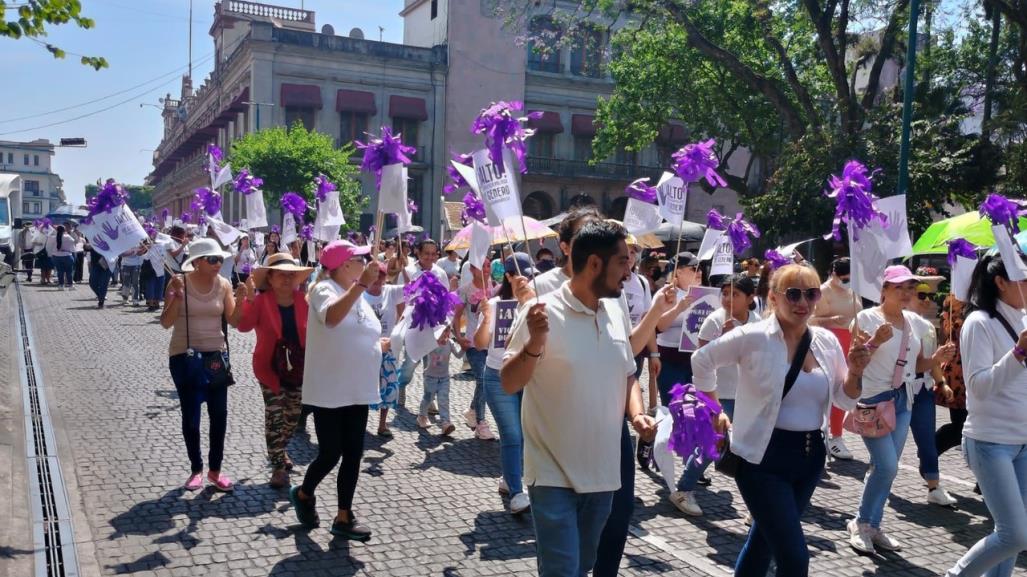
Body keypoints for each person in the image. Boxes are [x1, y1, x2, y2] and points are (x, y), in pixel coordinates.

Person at [501, 220, 656, 577]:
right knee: (563, 570)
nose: (629, 270)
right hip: (552, 472)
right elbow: (509, 382)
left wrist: (636, 415)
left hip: (603, 475)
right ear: (595, 264)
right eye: (622, 261)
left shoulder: (615, 311)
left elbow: (627, 373)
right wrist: (534, 345)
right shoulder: (540, 312)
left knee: (583, 566)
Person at [692, 263, 864, 577]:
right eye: (793, 294)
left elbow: (844, 399)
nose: (803, 302)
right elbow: (702, 360)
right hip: (761, 459)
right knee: (795, 558)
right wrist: (715, 410)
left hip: (810, 459)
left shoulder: (825, 341)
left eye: (811, 294)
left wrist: (856, 372)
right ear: (773, 298)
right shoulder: (754, 336)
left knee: (763, 543)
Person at [847, 265, 956, 554]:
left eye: (910, 288)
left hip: (902, 401)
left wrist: (936, 358)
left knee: (886, 470)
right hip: (872, 400)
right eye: (899, 287)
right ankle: (861, 523)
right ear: (883, 290)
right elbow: (855, 362)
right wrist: (874, 342)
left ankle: (872, 524)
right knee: (886, 466)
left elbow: (917, 366)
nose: (907, 293)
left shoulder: (916, 323)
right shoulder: (866, 319)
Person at [289, 240, 383, 540]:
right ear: (345, 265)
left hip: (358, 387)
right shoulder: (323, 289)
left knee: (353, 453)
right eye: (361, 258)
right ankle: (304, 493)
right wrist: (362, 286)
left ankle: (344, 516)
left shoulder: (358, 294)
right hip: (330, 389)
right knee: (331, 452)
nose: (366, 262)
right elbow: (331, 318)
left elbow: (360, 332)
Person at [945, 251, 1027, 577]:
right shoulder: (980, 323)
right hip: (990, 441)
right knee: (1014, 534)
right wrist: (1018, 352)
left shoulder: (1023, 318)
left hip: (1023, 441)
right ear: (1000, 282)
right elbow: (978, 388)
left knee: (1011, 536)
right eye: (1023, 277)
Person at [671, 274, 761, 517]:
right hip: (717, 394)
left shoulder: (757, 321)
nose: (728, 299)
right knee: (711, 446)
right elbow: (701, 360)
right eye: (725, 293)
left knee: (748, 449)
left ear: (751, 298)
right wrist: (723, 339)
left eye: (736, 294)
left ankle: (756, 505)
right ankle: (683, 489)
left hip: (745, 394)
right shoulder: (714, 321)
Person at [159, 238, 240, 492]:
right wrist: (175, 297)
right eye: (212, 259)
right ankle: (196, 468)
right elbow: (166, 322)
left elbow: (234, 320)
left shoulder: (224, 284)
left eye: (220, 259)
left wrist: (245, 299)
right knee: (191, 417)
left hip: (216, 357)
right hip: (185, 357)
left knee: (219, 416)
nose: (218, 263)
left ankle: (215, 471)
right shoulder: (179, 281)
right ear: (197, 262)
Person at [230, 252, 313, 489]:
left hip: (298, 367)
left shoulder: (304, 300)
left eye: (290, 275)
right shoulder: (261, 300)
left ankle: (280, 448)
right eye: (281, 275)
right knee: (276, 414)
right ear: (271, 278)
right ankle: (278, 466)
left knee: (293, 415)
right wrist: (243, 300)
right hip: (269, 367)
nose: (286, 280)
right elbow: (243, 326)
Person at [475, 253, 538, 514]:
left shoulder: (538, 303)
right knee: (511, 434)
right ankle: (516, 491)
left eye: (530, 274)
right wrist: (488, 317)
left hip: (529, 375)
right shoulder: (493, 304)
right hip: (498, 376)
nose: (526, 279)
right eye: (520, 274)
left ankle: (508, 477)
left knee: (526, 434)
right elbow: (479, 343)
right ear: (509, 277)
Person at [908, 281, 959, 506]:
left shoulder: (928, 327)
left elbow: (931, 362)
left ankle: (934, 486)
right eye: (921, 295)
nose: (927, 300)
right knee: (889, 447)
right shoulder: (891, 324)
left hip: (923, 391)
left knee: (927, 441)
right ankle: (878, 476)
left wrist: (942, 382)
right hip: (896, 391)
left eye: (928, 296)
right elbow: (915, 365)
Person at [810, 257, 862, 460]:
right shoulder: (823, 291)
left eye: (849, 277)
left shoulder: (852, 289)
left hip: (851, 340)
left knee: (845, 388)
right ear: (833, 273)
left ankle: (836, 436)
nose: (846, 280)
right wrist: (831, 320)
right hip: (830, 341)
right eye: (843, 277)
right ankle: (831, 435)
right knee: (831, 388)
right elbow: (810, 318)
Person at [362, 271, 405, 436]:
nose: (378, 279)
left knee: (389, 386)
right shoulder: (360, 294)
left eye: (381, 276)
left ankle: (382, 424)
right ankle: (361, 423)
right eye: (375, 275)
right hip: (367, 350)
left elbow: (413, 289)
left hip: (388, 348)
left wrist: (406, 270)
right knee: (365, 387)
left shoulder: (391, 291)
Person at [417, 326, 465, 435]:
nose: (445, 334)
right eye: (442, 331)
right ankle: (422, 416)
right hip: (430, 378)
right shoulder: (431, 343)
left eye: (447, 331)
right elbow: (422, 349)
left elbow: (458, 355)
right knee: (428, 398)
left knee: (444, 400)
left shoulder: (450, 343)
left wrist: (463, 348)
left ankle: (445, 423)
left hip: (444, 378)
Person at [935, 295, 967, 457]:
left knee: (963, 426)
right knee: (962, 426)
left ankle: (930, 450)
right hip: (958, 373)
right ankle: (930, 450)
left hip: (966, 370)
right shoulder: (955, 306)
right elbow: (945, 335)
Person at [46, 224, 76, 290]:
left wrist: (50, 254)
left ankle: (61, 285)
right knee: (69, 272)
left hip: (56, 256)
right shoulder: (68, 237)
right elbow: (73, 244)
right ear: (64, 230)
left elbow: (48, 247)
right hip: (67, 256)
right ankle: (71, 285)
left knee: (60, 271)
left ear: (56, 230)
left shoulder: (52, 237)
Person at [86, 243, 112, 308]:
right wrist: (87, 245)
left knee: (103, 284)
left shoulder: (110, 238)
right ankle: (101, 296)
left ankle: (101, 301)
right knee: (92, 283)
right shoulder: (94, 238)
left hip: (107, 265)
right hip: (95, 265)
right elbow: (86, 247)